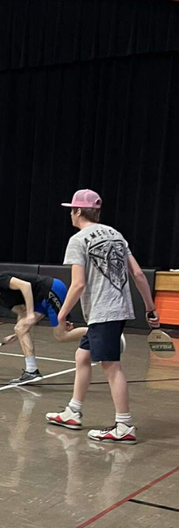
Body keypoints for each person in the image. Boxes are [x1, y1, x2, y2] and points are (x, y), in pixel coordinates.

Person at [46, 189, 159, 443]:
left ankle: (124, 425)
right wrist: (150, 308)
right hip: (117, 309)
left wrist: (61, 316)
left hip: (103, 311)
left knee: (111, 367)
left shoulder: (78, 240)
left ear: (77, 211)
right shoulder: (116, 235)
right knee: (82, 355)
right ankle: (73, 411)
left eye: (71, 210)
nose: (70, 215)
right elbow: (139, 275)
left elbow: (78, 285)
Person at [0, 262, 85, 383]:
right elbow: (21, 312)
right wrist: (16, 335)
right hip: (41, 299)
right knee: (20, 328)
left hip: (51, 289)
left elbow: (26, 286)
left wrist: (30, 314)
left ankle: (95, 332)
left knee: (61, 335)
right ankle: (32, 371)